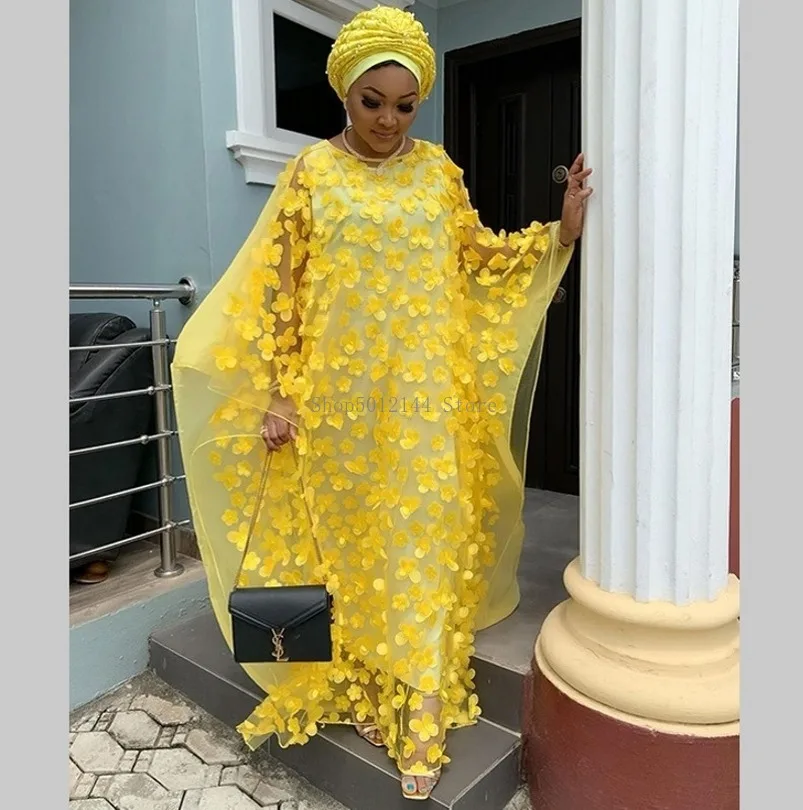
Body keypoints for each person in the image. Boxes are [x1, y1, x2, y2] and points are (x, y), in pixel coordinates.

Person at [171, 5, 592, 801]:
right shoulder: (310, 174)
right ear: (345, 93)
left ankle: (422, 714)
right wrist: (280, 393)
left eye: (405, 105)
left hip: (429, 404)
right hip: (340, 408)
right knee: (358, 555)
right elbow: (283, 293)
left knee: (422, 547)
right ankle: (369, 686)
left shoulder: (437, 172)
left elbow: (478, 259)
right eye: (373, 102)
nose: (389, 120)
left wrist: (558, 235)